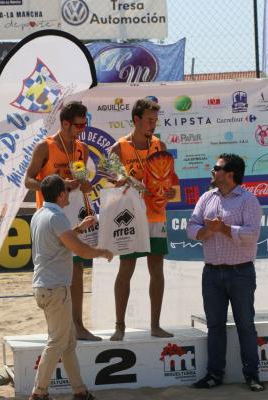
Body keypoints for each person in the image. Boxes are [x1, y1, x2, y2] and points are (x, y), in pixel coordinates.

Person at [29, 174, 113, 400]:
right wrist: (102, 252)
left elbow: (59, 240)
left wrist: (80, 227)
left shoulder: (39, 215)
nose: (70, 193)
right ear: (60, 194)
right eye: (67, 189)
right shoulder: (57, 217)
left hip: (45, 286)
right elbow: (81, 251)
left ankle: (80, 391)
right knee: (57, 342)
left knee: (67, 342)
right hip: (56, 288)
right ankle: (39, 393)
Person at [186, 153, 265, 392]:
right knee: (215, 326)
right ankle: (214, 375)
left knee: (245, 325)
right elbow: (191, 227)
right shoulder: (206, 197)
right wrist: (209, 231)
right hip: (211, 273)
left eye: (216, 168)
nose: (212, 171)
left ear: (229, 174)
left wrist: (224, 228)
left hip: (240, 273)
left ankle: (252, 376)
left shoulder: (248, 200)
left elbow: (252, 235)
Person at [25, 101, 100, 341]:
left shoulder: (82, 149)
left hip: (73, 211)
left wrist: (84, 184)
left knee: (76, 269)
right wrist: (55, 186)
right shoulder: (44, 147)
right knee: (55, 274)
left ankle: (77, 326)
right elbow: (28, 181)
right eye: (78, 125)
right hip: (50, 216)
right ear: (64, 123)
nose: (82, 129)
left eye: (85, 124)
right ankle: (60, 330)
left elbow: (80, 180)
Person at [108, 98, 177, 341]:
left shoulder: (160, 145)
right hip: (130, 217)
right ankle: (119, 326)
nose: (153, 125)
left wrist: (170, 192)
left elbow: (171, 182)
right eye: (149, 120)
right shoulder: (119, 148)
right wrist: (118, 179)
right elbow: (109, 174)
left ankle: (155, 326)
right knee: (126, 267)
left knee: (156, 269)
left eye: (156, 121)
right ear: (137, 120)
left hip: (156, 214)